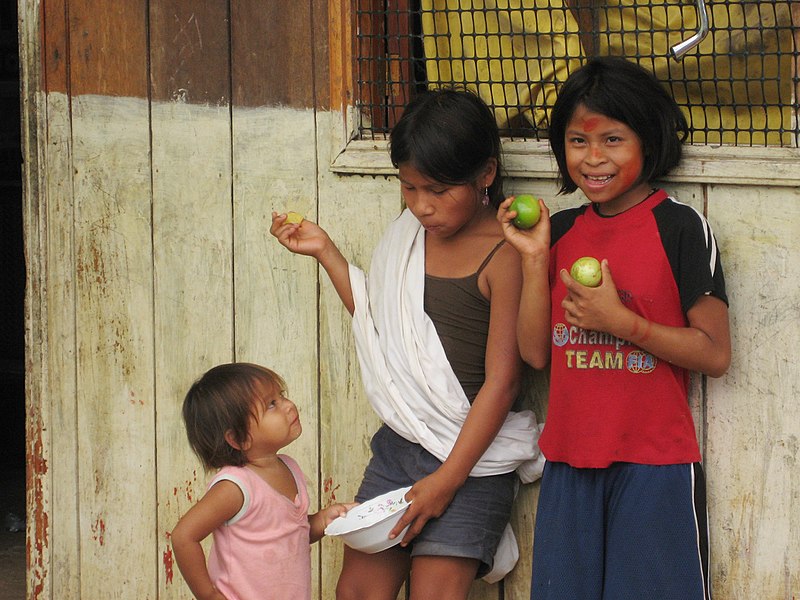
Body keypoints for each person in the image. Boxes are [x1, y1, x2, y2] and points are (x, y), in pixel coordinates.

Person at [270, 88, 543, 599]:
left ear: (485, 174)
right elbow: (386, 330)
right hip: (399, 449)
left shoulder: (505, 256)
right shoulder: (407, 234)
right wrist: (326, 251)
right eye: (409, 187)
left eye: (438, 190)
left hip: (471, 457)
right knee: (356, 593)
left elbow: (504, 384)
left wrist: (447, 482)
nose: (422, 206)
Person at [498, 56, 732, 600]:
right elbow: (535, 352)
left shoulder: (680, 226)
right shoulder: (558, 231)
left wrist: (620, 322)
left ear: (647, 141)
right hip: (570, 460)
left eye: (613, 140)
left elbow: (715, 353)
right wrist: (535, 261)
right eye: (578, 141)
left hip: (655, 463)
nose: (594, 158)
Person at [171, 362, 354, 600]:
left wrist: (322, 519)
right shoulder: (236, 487)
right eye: (271, 405)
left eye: (282, 396)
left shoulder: (289, 467)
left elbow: (289, 535)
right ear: (238, 438)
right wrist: (209, 594)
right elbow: (183, 536)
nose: (288, 406)